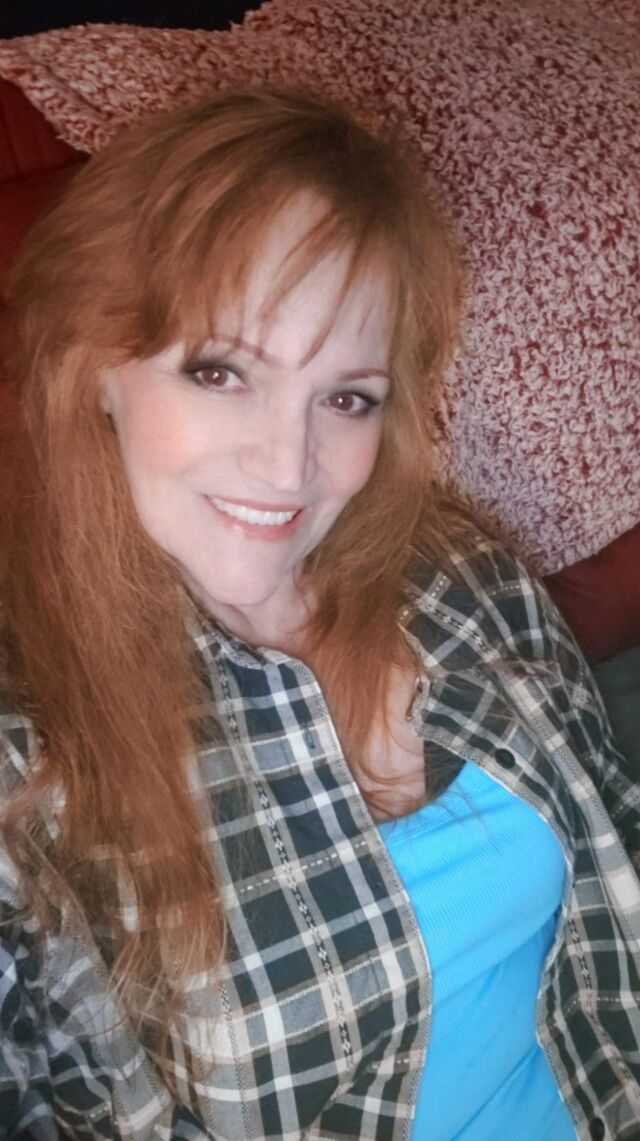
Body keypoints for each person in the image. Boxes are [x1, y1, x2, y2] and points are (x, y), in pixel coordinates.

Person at [0, 87, 638, 1141]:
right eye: (220, 370)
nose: (287, 464)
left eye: (347, 397)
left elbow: (614, 842)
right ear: (94, 371)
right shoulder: (29, 755)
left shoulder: (460, 575)